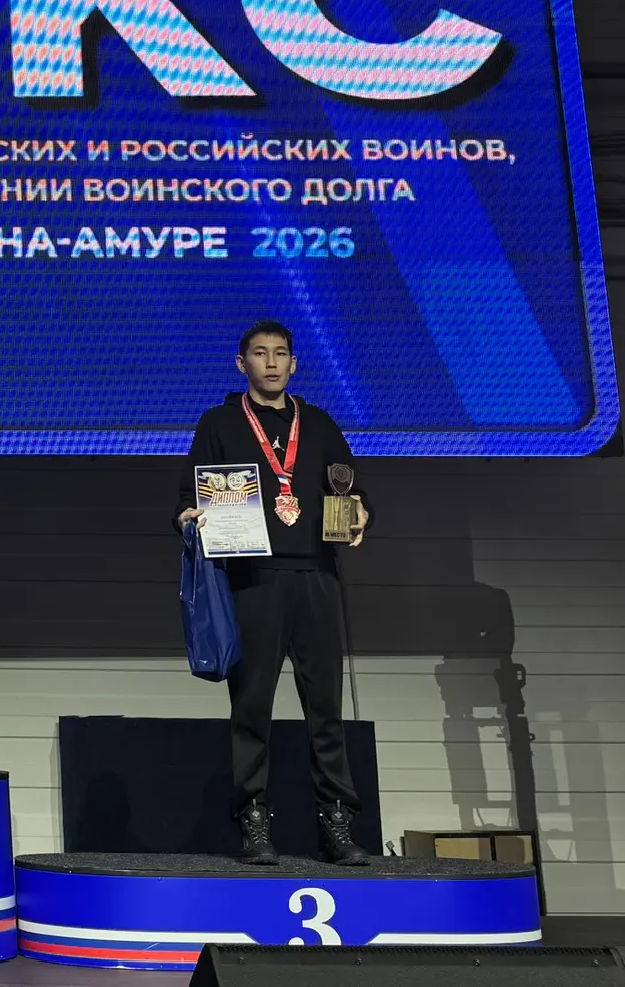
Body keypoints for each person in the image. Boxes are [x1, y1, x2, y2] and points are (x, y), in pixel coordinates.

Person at [176, 320, 371, 867]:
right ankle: (254, 823)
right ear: (242, 364)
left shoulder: (320, 423)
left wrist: (362, 510)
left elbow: (352, 488)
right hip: (252, 580)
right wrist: (187, 517)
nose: (271, 362)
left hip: (317, 577)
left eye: (280, 353)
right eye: (260, 354)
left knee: (326, 709)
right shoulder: (219, 423)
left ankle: (336, 824)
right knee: (252, 708)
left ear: (294, 363)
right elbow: (187, 494)